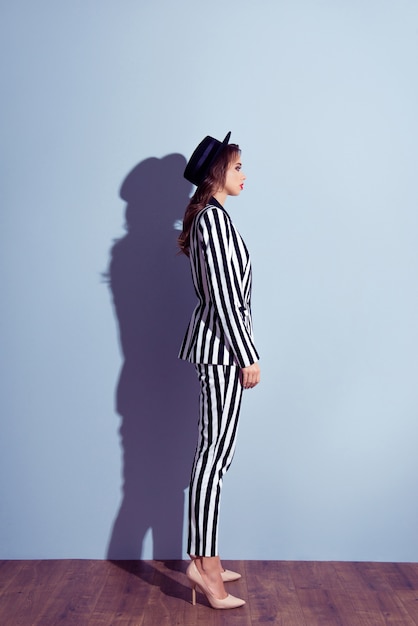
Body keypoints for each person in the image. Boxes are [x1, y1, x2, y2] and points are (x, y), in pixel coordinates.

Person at [178, 132, 260, 609]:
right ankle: (204, 567)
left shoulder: (213, 218)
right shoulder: (214, 222)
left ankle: (208, 556)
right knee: (213, 459)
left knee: (216, 457)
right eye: (237, 168)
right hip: (223, 353)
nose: (244, 175)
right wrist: (247, 353)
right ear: (217, 175)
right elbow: (225, 297)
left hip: (218, 350)